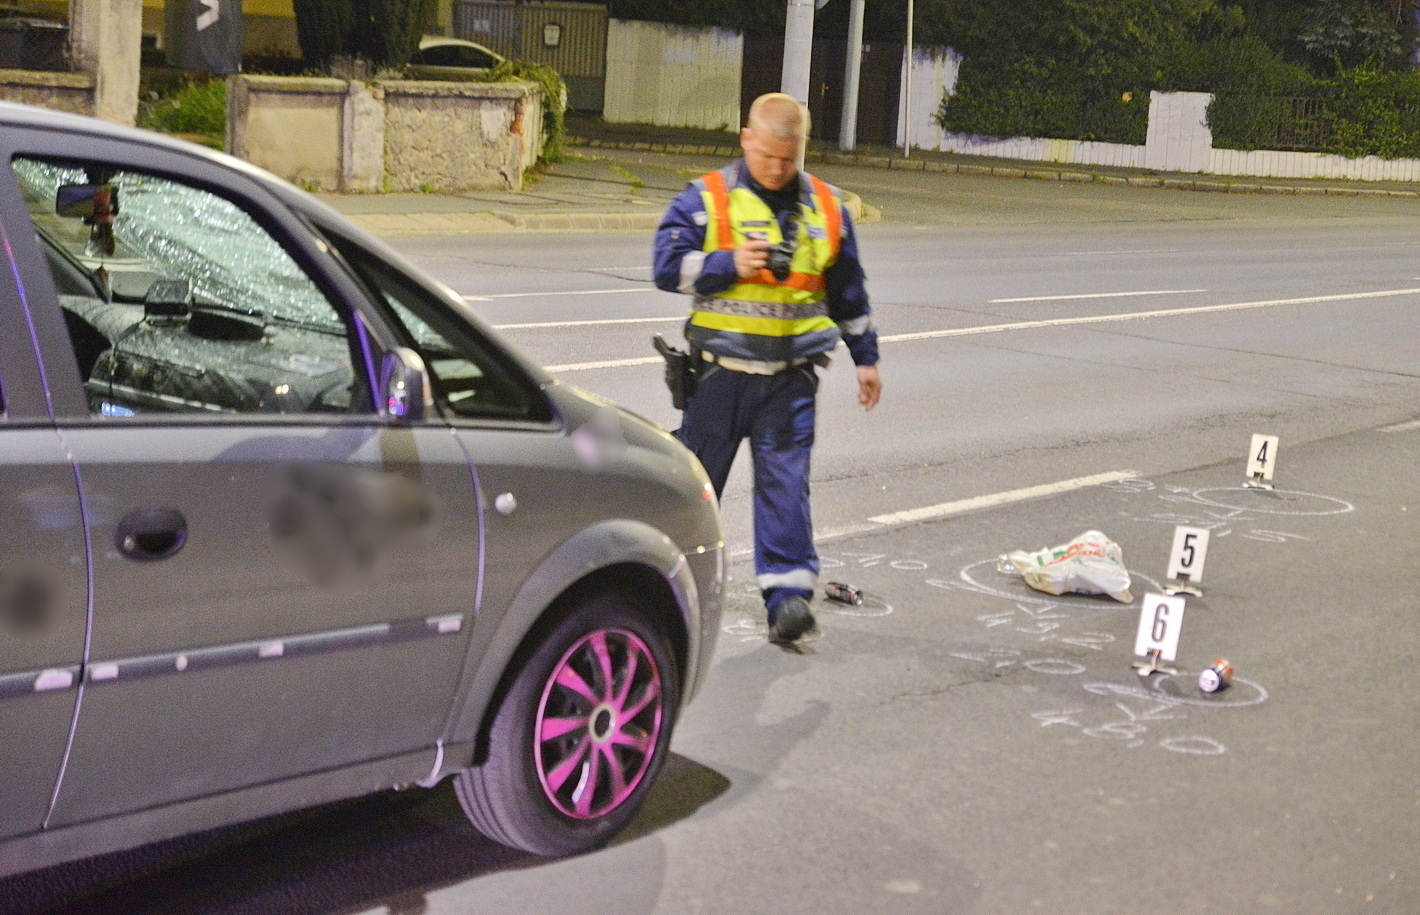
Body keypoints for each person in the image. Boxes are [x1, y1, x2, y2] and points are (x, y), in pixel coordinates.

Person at [653, 92, 882, 644]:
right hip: (718, 378)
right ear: (746, 140)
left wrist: (866, 360)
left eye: (791, 157)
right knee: (694, 489)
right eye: (769, 156)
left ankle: (788, 603)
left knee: (785, 489)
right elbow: (665, 267)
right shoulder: (707, 200)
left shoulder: (827, 209)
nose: (779, 169)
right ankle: (660, 591)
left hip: (791, 380)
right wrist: (727, 264)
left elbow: (848, 293)